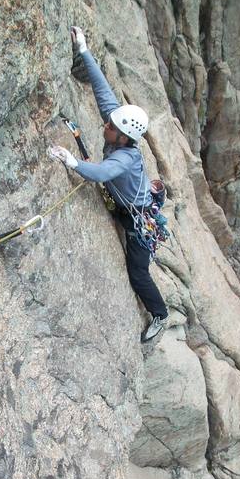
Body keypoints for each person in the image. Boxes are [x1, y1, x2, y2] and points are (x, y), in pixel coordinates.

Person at [49, 26, 168, 342]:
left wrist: (70, 161)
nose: (105, 123)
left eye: (110, 126)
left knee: (138, 273)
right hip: (127, 206)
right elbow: (102, 89)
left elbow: (102, 173)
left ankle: (160, 314)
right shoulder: (119, 129)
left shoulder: (125, 158)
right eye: (108, 121)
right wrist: (84, 49)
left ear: (124, 136)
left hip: (138, 217)